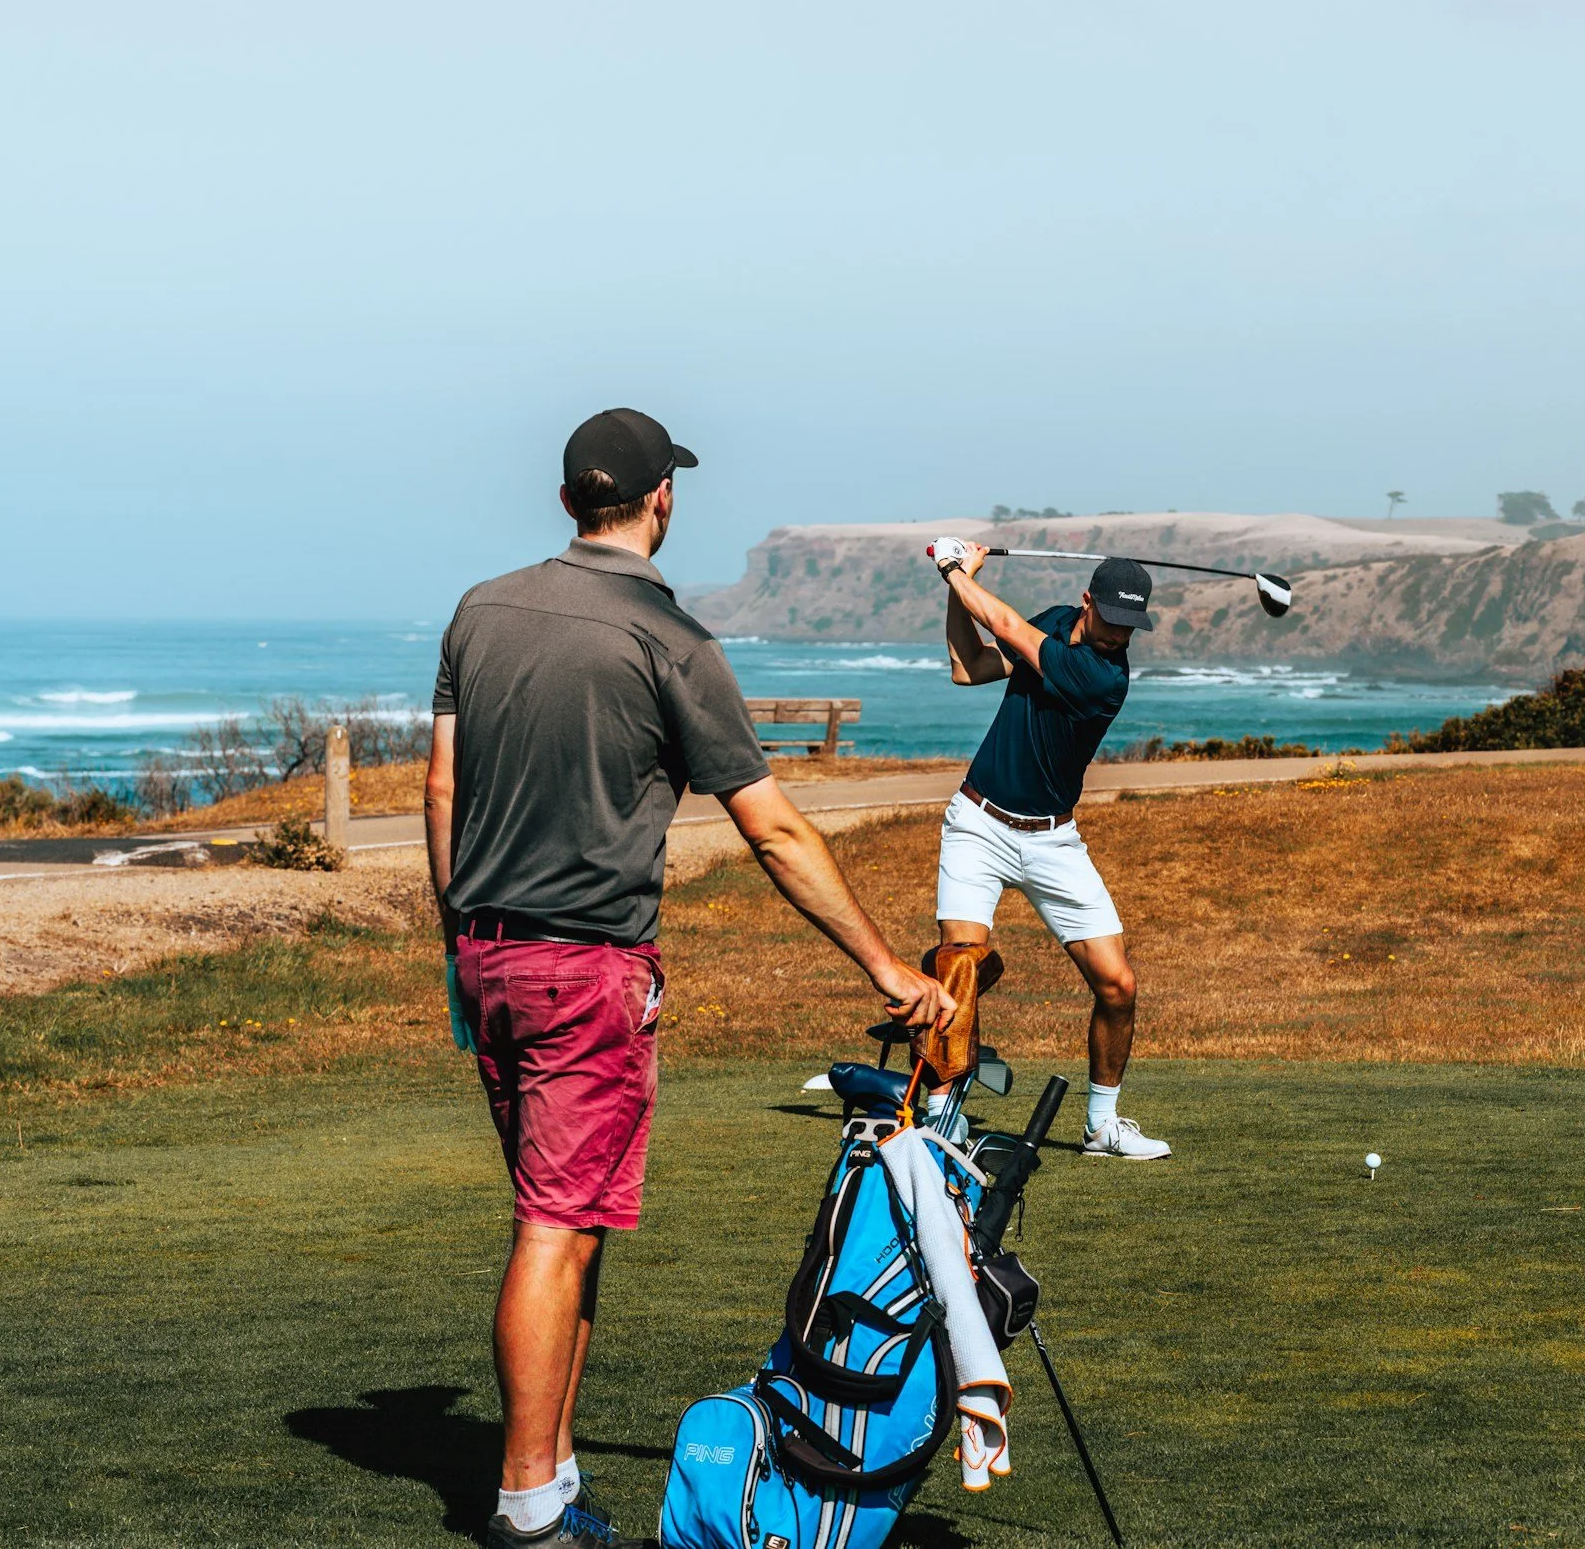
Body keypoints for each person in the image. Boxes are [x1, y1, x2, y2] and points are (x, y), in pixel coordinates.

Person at [427, 408, 952, 1549]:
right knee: (556, 1228)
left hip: (489, 955)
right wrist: (883, 965)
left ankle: (553, 1475)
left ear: (571, 500)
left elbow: (440, 789)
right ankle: (525, 1507)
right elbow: (773, 833)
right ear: (663, 498)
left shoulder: (481, 610)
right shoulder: (669, 641)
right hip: (586, 968)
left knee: (568, 1224)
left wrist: (458, 940)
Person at [928, 536, 1171, 1160]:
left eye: (1130, 627)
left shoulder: (1102, 677)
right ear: (1086, 602)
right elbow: (970, 666)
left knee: (1117, 985)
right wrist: (953, 592)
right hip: (978, 825)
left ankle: (1102, 1126)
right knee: (959, 967)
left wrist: (956, 569)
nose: (1120, 636)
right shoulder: (1058, 626)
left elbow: (1003, 621)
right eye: (1112, 621)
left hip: (1053, 841)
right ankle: (939, 1118)